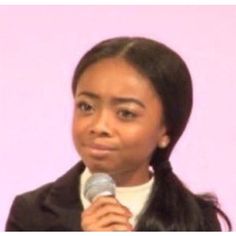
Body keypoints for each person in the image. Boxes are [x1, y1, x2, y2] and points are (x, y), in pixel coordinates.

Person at [6, 36, 231, 231]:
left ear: (166, 130)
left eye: (125, 113)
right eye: (86, 107)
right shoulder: (31, 213)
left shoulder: (197, 219)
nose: (99, 126)